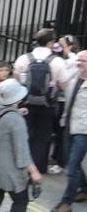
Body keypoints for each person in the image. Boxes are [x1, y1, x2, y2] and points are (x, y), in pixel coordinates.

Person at [0, 78, 42, 212]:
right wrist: (34, 171)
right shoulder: (16, 121)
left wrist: (18, 113)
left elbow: (6, 121)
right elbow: (22, 151)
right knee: (21, 201)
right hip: (9, 171)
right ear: (18, 98)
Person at [13, 28, 69, 174]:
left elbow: (17, 78)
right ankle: (38, 169)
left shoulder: (24, 58)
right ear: (51, 42)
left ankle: (22, 166)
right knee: (42, 137)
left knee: (26, 134)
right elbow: (64, 85)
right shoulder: (57, 61)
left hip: (26, 103)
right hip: (48, 104)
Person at [51, 50, 87, 212]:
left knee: (72, 166)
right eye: (78, 60)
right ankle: (84, 189)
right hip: (69, 125)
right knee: (72, 162)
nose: (79, 63)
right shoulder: (75, 78)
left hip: (83, 130)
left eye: (83, 61)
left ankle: (66, 202)